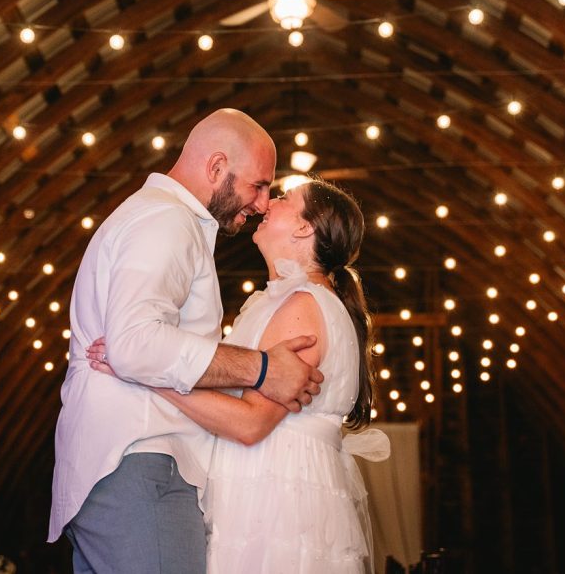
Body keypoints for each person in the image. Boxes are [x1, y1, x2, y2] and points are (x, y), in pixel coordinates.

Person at [47, 108, 325, 574]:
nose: (261, 203)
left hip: (130, 469)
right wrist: (261, 369)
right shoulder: (166, 221)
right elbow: (134, 343)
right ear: (216, 167)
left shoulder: (163, 219)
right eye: (257, 185)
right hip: (142, 465)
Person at [88, 178, 390, 573]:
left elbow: (249, 423)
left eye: (284, 199)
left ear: (305, 228)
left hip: (274, 497)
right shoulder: (290, 300)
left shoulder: (303, 306)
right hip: (275, 485)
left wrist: (145, 373)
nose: (268, 205)